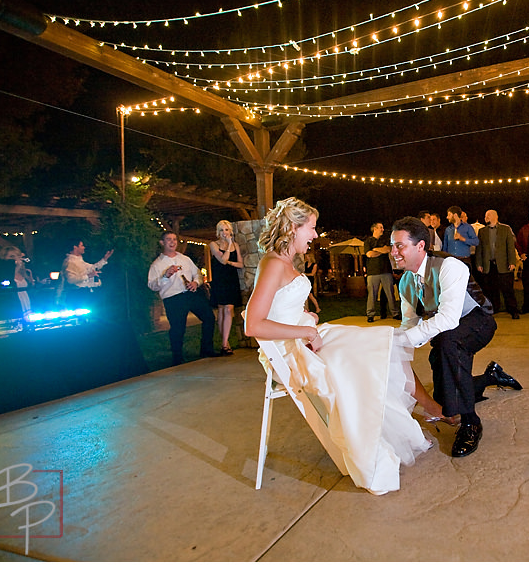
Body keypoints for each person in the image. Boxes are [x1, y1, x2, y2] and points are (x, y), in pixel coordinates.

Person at [244, 198, 435, 495]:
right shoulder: (272, 263)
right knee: (361, 359)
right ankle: (378, 443)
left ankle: (416, 412)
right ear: (293, 228)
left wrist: (305, 319)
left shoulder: (282, 261)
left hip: (304, 339)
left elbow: (279, 310)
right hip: (289, 355)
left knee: (376, 344)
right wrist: (306, 330)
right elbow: (253, 325)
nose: (315, 235)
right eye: (311, 228)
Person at [391, 216, 523, 459]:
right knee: (446, 395)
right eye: (392, 245)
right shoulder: (406, 282)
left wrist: (406, 339)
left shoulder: (450, 266)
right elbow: (409, 322)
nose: (393, 252)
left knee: (447, 343)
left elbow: (449, 319)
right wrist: (396, 344)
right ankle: (491, 376)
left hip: (479, 321)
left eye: (399, 245)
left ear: (420, 246)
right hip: (449, 332)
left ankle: (471, 423)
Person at [147, 231, 218, 365]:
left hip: (191, 294)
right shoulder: (157, 265)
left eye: (174, 239)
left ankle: (207, 350)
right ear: (162, 243)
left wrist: (195, 283)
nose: (172, 242)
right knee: (178, 327)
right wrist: (165, 276)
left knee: (209, 317)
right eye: (169, 239)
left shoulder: (185, 259)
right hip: (173, 298)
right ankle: (177, 358)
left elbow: (197, 273)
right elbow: (152, 285)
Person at [475, 210, 520, 319]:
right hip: (488, 265)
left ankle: (513, 310)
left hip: (503, 264)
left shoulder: (505, 229)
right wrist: (479, 263)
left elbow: (510, 246)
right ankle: (494, 308)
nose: (485, 217)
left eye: (488, 215)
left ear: (495, 216)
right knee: (490, 289)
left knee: (507, 289)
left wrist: (512, 262)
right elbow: (479, 249)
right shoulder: (482, 231)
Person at [209, 220, 243, 356]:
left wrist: (230, 262)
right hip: (219, 280)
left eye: (227, 230)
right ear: (218, 232)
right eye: (222, 230)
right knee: (222, 310)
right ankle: (225, 344)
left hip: (231, 280)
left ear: (230, 231)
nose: (224, 233)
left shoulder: (236, 245)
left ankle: (224, 343)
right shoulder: (213, 245)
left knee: (229, 309)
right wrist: (228, 246)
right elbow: (222, 260)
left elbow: (240, 264)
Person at [60, 239, 113, 309]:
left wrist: (104, 259)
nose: (84, 247)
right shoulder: (70, 261)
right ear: (75, 247)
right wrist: (88, 276)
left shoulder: (78, 260)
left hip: (84, 293)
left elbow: (92, 268)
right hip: (76, 294)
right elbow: (71, 280)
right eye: (81, 245)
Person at [364, 222, 400, 322]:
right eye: (380, 227)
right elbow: (369, 254)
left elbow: (388, 249)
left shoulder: (385, 240)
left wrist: (376, 250)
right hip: (372, 272)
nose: (382, 229)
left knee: (390, 294)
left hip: (386, 271)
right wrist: (381, 250)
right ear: (374, 229)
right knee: (372, 295)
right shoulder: (368, 241)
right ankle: (370, 315)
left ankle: (395, 313)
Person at [0, 246, 35, 318]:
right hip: (14, 306)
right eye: (11, 256)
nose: (15, 258)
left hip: (28, 304)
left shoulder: (25, 272)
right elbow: (7, 284)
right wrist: (16, 268)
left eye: (17, 256)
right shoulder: (2, 273)